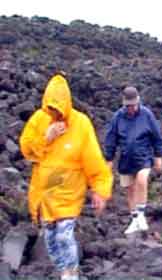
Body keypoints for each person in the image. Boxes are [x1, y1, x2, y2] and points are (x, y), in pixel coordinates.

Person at [19, 73, 113, 280]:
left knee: (64, 235)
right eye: (51, 109)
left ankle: (71, 274)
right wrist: (46, 137)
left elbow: (93, 159)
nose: (55, 114)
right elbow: (26, 150)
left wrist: (100, 190)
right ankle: (64, 270)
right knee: (51, 238)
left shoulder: (81, 123)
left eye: (58, 109)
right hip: (46, 192)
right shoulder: (39, 119)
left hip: (70, 192)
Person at [104, 86, 162, 234]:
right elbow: (111, 139)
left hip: (143, 156)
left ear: (138, 102)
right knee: (130, 190)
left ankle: (142, 214)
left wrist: (158, 156)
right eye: (128, 106)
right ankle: (135, 219)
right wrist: (109, 159)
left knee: (142, 179)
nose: (131, 108)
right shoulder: (118, 117)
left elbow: (156, 136)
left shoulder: (146, 115)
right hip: (125, 159)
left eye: (133, 105)